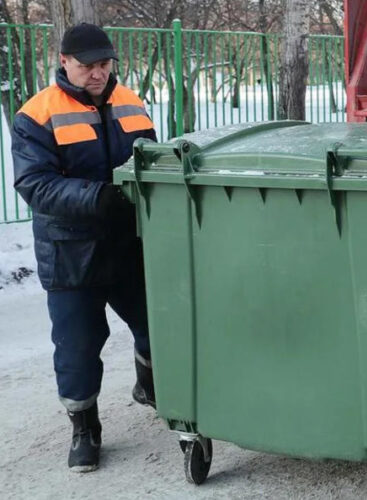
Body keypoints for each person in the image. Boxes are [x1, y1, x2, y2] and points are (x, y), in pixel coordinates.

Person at [12, 23, 157, 473]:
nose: (97, 73)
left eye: (104, 64)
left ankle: (149, 383)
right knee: (77, 348)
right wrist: (100, 198)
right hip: (70, 252)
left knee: (159, 324)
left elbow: (152, 162)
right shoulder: (36, 115)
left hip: (129, 244)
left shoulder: (132, 103)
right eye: (87, 66)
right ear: (64, 62)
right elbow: (34, 184)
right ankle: (84, 427)